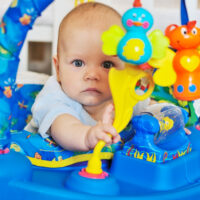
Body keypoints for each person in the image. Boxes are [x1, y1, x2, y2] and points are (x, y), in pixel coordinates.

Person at [26, 2, 150, 152]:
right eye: (78, 63)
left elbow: (150, 109)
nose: (92, 75)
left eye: (107, 65)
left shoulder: (124, 94)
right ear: (58, 68)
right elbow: (64, 126)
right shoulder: (54, 96)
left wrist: (168, 123)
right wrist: (87, 136)